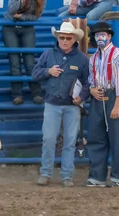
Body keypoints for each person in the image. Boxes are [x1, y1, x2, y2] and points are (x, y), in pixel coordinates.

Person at [32, 22, 90, 187]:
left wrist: (82, 96)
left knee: (70, 141)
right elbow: (35, 73)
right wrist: (47, 71)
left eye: (68, 38)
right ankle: (46, 172)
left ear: (74, 39)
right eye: (62, 37)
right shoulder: (48, 54)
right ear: (58, 38)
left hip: (72, 105)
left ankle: (66, 176)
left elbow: (87, 82)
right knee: (49, 139)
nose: (64, 40)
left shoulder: (82, 59)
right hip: (52, 104)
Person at [85, 21, 119, 188]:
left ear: (109, 36)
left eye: (103, 34)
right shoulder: (94, 57)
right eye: (97, 35)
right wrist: (92, 89)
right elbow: (91, 79)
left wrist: (117, 105)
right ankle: (97, 176)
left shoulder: (118, 55)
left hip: (115, 96)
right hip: (99, 95)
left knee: (118, 138)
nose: (100, 37)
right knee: (96, 136)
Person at [2, 0, 46, 105]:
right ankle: (17, 94)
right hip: (10, 28)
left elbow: (36, 17)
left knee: (30, 62)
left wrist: (22, 17)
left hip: (27, 28)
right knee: (14, 62)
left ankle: (36, 93)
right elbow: (11, 10)